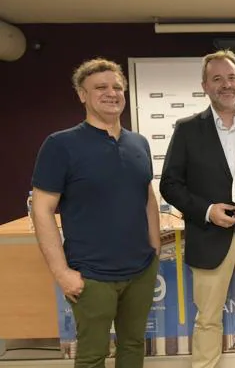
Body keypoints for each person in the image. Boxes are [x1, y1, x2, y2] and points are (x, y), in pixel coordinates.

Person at [159, 49, 235, 368]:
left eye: (231, 77)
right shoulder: (187, 129)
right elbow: (170, 184)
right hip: (209, 237)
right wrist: (207, 210)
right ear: (204, 85)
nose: (225, 84)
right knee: (207, 320)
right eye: (217, 79)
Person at [31, 58, 160, 368]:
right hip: (90, 274)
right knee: (92, 356)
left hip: (140, 269)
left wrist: (154, 248)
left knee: (133, 345)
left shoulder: (138, 143)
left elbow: (147, 196)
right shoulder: (61, 145)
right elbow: (42, 209)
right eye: (100, 87)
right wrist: (62, 273)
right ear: (82, 95)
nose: (111, 93)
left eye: (117, 87)